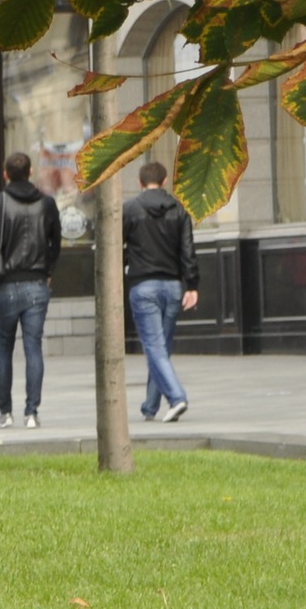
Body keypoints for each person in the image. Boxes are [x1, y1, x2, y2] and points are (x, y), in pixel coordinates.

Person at [0, 151, 62, 430]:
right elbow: (56, 242)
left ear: (5, 174)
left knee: (4, 347)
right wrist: (47, 270)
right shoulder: (47, 203)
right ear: (30, 172)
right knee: (33, 347)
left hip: (5, 283)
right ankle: (32, 412)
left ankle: (5, 412)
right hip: (37, 284)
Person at [125, 159, 199, 423]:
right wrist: (192, 285)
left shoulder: (130, 209)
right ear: (165, 181)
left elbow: (116, 246)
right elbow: (188, 251)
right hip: (172, 287)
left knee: (154, 347)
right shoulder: (179, 210)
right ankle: (150, 406)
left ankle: (177, 398)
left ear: (140, 182)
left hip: (143, 285)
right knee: (161, 348)